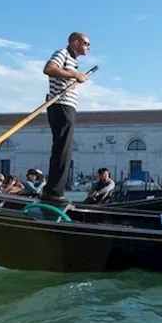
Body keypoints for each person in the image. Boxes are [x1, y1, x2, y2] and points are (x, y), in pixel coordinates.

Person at [41, 31, 92, 204]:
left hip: (66, 107)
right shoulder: (62, 53)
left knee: (64, 150)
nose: (88, 47)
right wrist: (75, 75)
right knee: (62, 150)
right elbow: (48, 69)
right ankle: (54, 193)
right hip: (61, 105)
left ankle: (54, 191)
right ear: (74, 42)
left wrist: (74, 74)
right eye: (86, 43)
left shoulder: (73, 61)